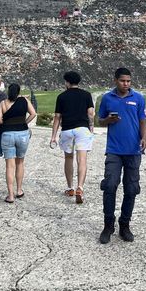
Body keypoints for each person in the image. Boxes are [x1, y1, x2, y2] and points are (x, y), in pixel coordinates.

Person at [97, 67, 146, 244]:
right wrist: (108, 120)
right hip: (114, 150)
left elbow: (142, 121)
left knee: (131, 188)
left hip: (133, 151)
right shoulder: (107, 98)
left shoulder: (138, 98)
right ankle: (108, 224)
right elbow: (100, 121)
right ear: (115, 80)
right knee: (110, 185)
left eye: (128, 81)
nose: (126, 84)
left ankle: (124, 224)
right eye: (122, 81)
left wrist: (144, 139)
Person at [50, 71, 95, 203]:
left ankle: (70, 188)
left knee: (68, 158)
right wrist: (91, 128)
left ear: (67, 82)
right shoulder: (86, 95)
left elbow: (57, 117)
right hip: (82, 129)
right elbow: (91, 114)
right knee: (82, 160)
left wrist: (53, 136)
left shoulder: (61, 96)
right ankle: (80, 187)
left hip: (67, 129)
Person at [0, 83, 36, 202]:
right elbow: (33, 113)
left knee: (10, 165)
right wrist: (24, 122)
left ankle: (10, 195)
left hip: (8, 134)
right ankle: (19, 190)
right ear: (18, 92)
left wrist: (7, 123)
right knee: (20, 162)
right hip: (22, 133)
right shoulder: (24, 100)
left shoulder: (3, 103)